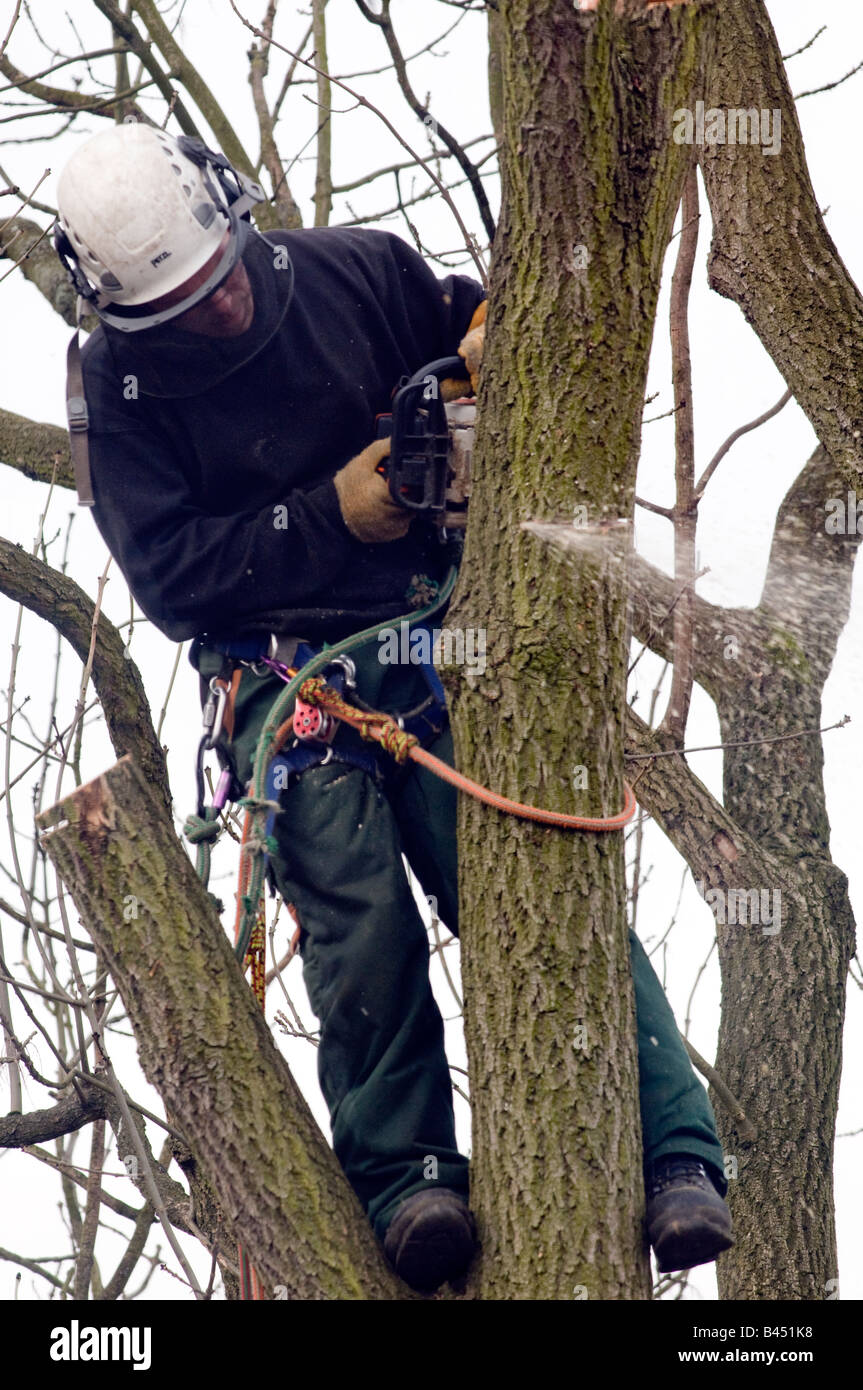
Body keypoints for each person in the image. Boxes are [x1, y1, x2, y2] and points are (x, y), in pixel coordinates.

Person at [54, 122, 733, 1293]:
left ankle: (674, 1152)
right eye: (176, 312)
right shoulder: (117, 395)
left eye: (217, 285)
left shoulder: (353, 271)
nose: (210, 316)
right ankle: (409, 1177)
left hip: (435, 641)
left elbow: (470, 321)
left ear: (232, 223)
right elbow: (170, 583)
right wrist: (327, 514)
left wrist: (479, 359)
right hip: (284, 682)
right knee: (356, 913)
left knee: (530, 873)